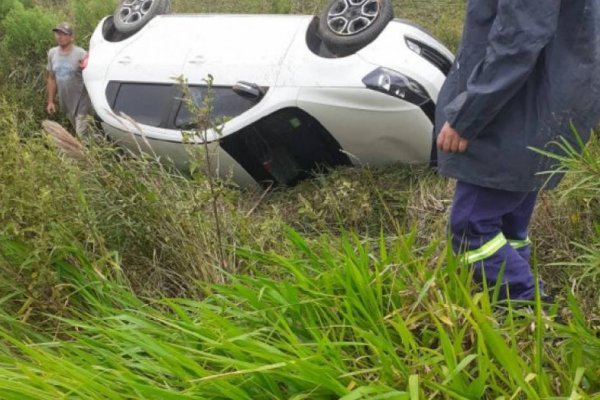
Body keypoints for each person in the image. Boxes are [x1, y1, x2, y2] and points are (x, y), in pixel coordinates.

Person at [435, 0, 600, 302]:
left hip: (515, 106)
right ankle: (517, 319)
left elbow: (518, 40)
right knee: (508, 221)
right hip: (548, 98)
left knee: (471, 229)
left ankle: (528, 305)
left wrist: (467, 116)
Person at [46, 22, 93, 141]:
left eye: (64, 34)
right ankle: (94, 149)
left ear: (72, 37)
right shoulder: (52, 53)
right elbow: (52, 78)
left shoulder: (81, 54)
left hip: (82, 102)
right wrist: (50, 101)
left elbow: (92, 76)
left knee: (81, 134)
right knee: (82, 133)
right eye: (57, 33)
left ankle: (88, 157)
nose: (59, 36)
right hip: (66, 102)